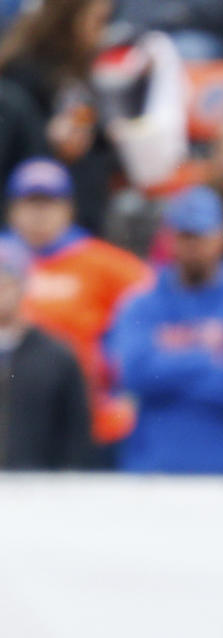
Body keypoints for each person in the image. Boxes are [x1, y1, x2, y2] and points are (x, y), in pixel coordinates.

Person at [108, 187, 223, 475]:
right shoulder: (141, 303)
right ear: (169, 238)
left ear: (220, 239)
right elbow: (133, 373)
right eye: (184, 235)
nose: (192, 245)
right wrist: (207, 359)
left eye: (200, 235)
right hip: (148, 466)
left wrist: (167, 367)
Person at [5, 156, 151, 462]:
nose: (39, 214)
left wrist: (122, 382)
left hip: (86, 417)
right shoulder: (6, 261)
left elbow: (152, 311)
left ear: (68, 208)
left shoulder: (105, 264)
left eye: (49, 203)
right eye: (31, 203)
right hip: (14, 417)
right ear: (12, 209)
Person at [0, 0, 119, 233]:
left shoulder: (83, 72)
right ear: (68, 22)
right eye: (98, 21)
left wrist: (107, 138)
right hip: (25, 232)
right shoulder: (20, 73)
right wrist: (48, 140)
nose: (103, 33)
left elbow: (91, 136)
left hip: (82, 226)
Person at [0, 233, 91, 469]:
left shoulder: (56, 355)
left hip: (39, 488)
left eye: (5, 282)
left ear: (23, 286)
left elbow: (75, 433)